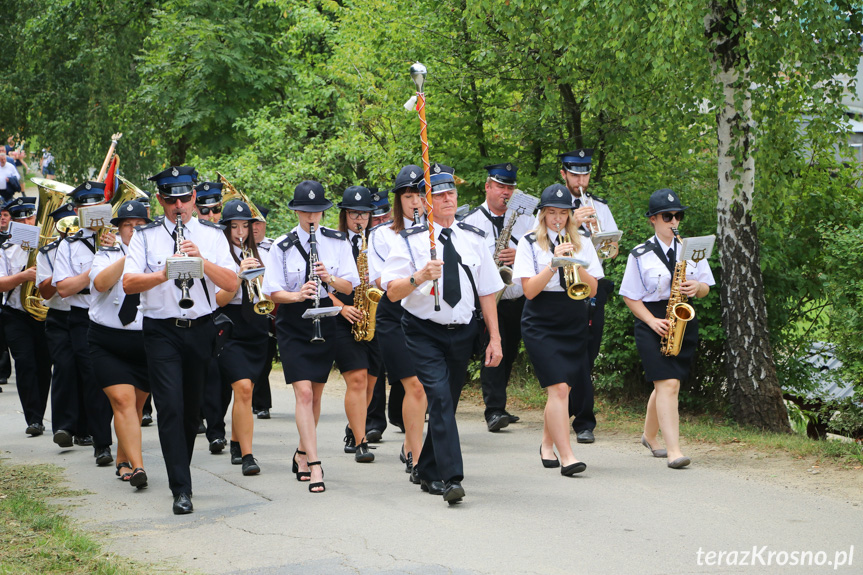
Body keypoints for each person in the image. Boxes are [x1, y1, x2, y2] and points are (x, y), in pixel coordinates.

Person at [382, 164, 504, 504]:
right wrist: (419, 277)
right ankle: (450, 477)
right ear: (425, 201)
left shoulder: (474, 238)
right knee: (438, 397)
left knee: (445, 404)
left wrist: (494, 338)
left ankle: (425, 467)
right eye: (438, 194)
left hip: (463, 331)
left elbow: (487, 292)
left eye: (450, 192)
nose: (447, 198)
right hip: (422, 330)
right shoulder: (410, 241)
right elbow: (392, 292)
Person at [123, 165, 237, 514]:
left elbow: (231, 284)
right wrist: (162, 273)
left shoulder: (212, 235)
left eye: (185, 199)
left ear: (194, 198)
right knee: (169, 407)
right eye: (171, 200)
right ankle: (181, 488)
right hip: (161, 330)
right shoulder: (145, 236)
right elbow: (129, 284)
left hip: (200, 327)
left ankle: (180, 472)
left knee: (190, 412)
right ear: (160, 200)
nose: (179, 206)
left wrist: (201, 261)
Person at [262, 180, 359, 494]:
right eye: (305, 211)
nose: (311, 216)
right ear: (296, 211)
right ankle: (316, 464)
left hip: (325, 319)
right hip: (293, 322)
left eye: (317, 211)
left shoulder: (337, 241)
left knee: (315, 396)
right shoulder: (282, 245)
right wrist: (296, 294)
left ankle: (302, 452)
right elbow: (271, 291)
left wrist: (329, 279)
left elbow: (350, 287)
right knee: (303, 394)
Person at [619, 188, 714, 469]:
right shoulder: (639, 254)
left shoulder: (691, 249)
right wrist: (651, 321)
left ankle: (649, 436)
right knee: (668, 383)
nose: (674, 221)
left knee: (666, 383)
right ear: (653, 219)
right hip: (652, 320)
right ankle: (674, 450)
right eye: (667, 216)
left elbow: (707, 287)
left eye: (678, 216)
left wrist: (697, 287)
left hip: (682, 316)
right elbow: (629, 296)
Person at [513, 184, 604, 477]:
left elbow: (593, 289)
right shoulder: (528, 243)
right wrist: (553, 264)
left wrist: (576, 263)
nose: (557, 218)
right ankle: (567, 457)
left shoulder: (582, 241)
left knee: (563, 387)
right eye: (551, 212)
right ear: (542, 214)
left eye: (562, 213)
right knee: (559, 387)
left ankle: (546, 444)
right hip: (541, 319)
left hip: (573, 317)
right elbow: (528, 291)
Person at [462, 162, 533, 432]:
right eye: (501, 187)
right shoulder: (470, 223)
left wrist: (521, 254)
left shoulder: (526, 220)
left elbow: (541, 251)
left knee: (511, 351)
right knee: (492, 352)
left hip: (519, 296)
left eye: (511, 188)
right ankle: (493, 410)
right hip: (491, 300)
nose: (506, 192)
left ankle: (500, 405)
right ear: (487, 187)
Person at [366, 165, 428, 478]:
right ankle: (417, 456)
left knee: (423, 389)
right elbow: (383, 282)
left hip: (429, 311)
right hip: (395, 313)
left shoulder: (437, 232)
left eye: (420, 194)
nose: (415, 201)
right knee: (413, 385)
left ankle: (410, 442)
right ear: (399, 200)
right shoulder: (380, 235)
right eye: (409, 195)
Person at [556, 148, 621, 444]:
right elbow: (544, 243)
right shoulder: (553, 205)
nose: (581, 179)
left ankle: (570, 408)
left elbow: (611, 250)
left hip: (593, 285)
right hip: (562, 287)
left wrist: (601, 239)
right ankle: (584, 420)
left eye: (585, 173)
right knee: (572, 354)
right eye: (575, 173)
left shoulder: (600, 207)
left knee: (588, 354)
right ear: (564, 174)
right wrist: (572, 220)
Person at [89, 200, 152, 489]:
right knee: (123, 401)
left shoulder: (156, 256)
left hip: (143, 339)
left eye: (140, 225)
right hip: (107, 340)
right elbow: (101, 283)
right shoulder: (107, 254)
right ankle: (138, 467)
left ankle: (123, 458)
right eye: (128, 225)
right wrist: (129, 257)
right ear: (119, 229)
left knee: (136, 406)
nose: (134, 230)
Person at [53, 182, 116, 466]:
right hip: (84, 318)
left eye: (98, 206)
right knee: (93, 380)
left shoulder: (122, 238)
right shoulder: (68, 245)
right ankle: (102, 443)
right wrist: (97, 269)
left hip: (118, 316)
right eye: (86, 208)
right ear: (78, 212)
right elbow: (65, 289)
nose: (93, 212)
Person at [214, 199, 269, 476]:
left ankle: (236, 441)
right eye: (234, 226)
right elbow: (219, 300)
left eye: (244, 226)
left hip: (257, 326)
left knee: (245, 392)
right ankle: (248, 455)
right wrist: (238, 275)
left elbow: (269, 295)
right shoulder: (220, 256)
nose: (240, 232)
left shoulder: (263, 252)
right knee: (243, 389)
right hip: (231, 325)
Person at [331, 186, 380, 463]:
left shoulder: (378, 241)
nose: (359, 219)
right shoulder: (332, 241)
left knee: (371, 383)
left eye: (364, 214)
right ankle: (361, 442)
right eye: (353, 214)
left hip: (370, 314)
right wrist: (341, 308)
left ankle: (353, 427)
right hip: (342, 316)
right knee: (358, 379)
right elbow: (317, 283)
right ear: (344, 214)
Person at [37, 203, 90, 448]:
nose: (70, 229)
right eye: (64, 225)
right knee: (65, 367)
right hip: (59, 317)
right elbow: (46, 292)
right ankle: (64, 427)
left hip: (85, 315)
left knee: (86, 370)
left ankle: (87, 428)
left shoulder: (90, 247)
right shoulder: (47, 253)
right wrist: (60, 270)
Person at [0, 197, 52, 435]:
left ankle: (39, 412)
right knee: (25, 364)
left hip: (43, 314)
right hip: (15, 314)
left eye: (30, 218)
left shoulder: (47, 246)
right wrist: (24, 276)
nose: (27, 223)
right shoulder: (5, 249)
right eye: (21, 219)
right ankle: (33, 418)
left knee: (43, 365)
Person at [193, 181, 232, 453]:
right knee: (204, 374)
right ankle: (201, 421)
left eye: (216, 209)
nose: (211, 216)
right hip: (204, 312)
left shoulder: (228, 235)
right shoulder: (195, 237)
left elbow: (229, 284)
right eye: (205, 211)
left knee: (218, 377)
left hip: (228, 313)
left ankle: (217, 430)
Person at [364, 187, 398, 439]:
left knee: (400, 364)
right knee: (373, 366)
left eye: (382, 216)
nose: (378, 222)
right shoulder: (352, 238)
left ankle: (398, 412)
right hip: (368, 306)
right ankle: (374, 421)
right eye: (373, 218)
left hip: (395, 303)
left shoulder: (394, 234)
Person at [251, 203, 277, 420]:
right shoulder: (237, 248)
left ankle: (260, 401)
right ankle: (258, 401)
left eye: (259, 222)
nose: (255, 227)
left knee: (266, 356)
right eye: (253, 223)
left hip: (269, 308)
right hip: (245, 306)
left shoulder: (274, 248)